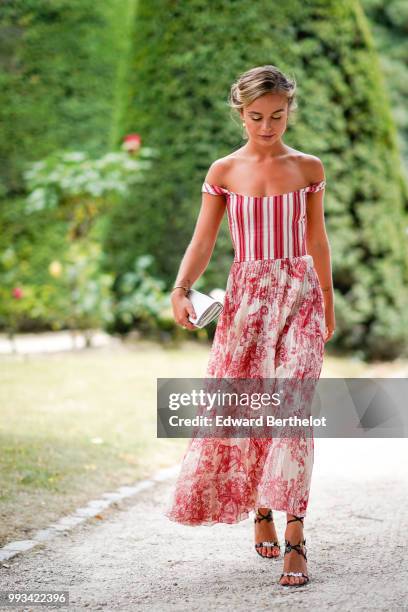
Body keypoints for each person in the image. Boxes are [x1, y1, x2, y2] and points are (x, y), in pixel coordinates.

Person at [165, 65, 335, 587]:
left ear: (290, 109)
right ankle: (261, 505)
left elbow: (318, 239)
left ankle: (296, 534)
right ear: (240, 113)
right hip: (248, 303)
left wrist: (327, 302)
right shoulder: (223, 172)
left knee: (293, 409)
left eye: (277, 116)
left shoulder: (308, 169)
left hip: (301, 295)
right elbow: (203, 241)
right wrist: (180, 288)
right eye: (257, 117)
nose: (267, 126)